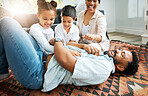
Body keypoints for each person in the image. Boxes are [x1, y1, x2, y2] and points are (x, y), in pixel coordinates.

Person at [0, 17, 139, 91]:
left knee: (7, 23)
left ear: (121, 67)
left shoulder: (103, 69)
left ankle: (1, 69)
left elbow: (63, 58)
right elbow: (69, 46)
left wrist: (58, 40)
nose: (119, 51)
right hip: (42, 53)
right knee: (20, 31)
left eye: (122, 55)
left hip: (37, 72)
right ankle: (2, 72)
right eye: (122, 50)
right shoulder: (103, 56)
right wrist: (83, 46)